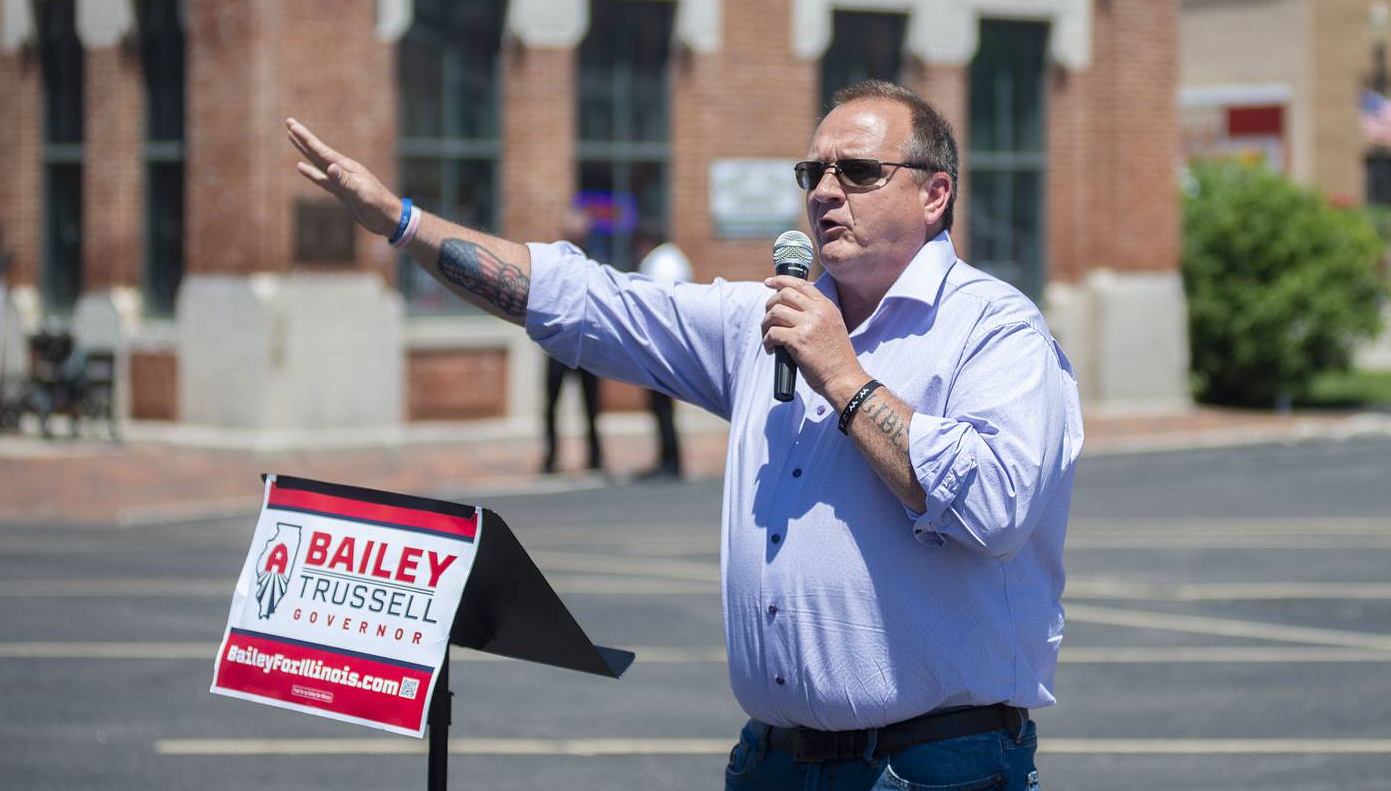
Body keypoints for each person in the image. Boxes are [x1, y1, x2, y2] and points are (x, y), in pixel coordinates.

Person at [289, 79, 1080, 790]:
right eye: (814, 174)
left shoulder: (994, 328)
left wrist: (842, 375)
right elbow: (588, 301)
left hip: (933, 768)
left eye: (859, 172)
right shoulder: (765, 320)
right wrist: (402, 222)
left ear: (934, 193)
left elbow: (997, 508)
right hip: (773, 759)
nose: (827, 193)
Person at [540, 206, 603, 474]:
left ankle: (595, 455)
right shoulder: (554, 263)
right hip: (558, 345)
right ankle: (551, 455)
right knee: (551, 403)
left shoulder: (595, 263)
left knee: (591, 405)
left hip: (586, 344)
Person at [634, 230, 693, 480]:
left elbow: (650, 305)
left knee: (661, 407)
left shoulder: (656, 262)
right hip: (676, 345)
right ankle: (671, 459)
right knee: (665, 408)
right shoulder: (676, 258)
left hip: (660, 347)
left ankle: (669, 461)